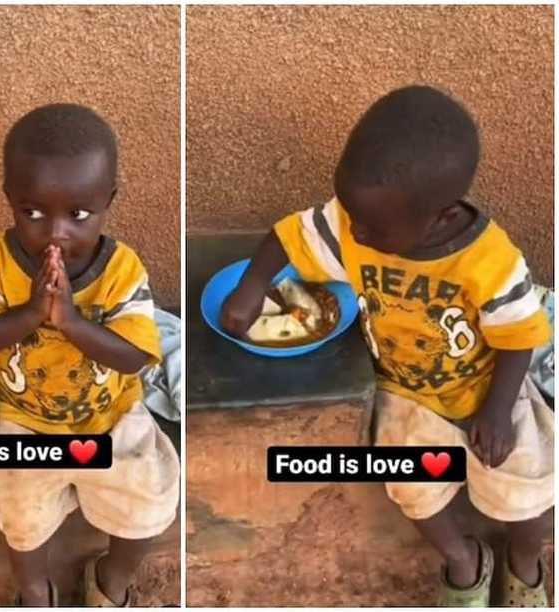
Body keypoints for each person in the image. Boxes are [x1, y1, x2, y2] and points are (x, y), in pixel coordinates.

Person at [222, 85, 553, 607]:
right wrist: (251, 285)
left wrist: (497, 411)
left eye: (369, 226)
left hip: (489, 386)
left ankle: (527, 561)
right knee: (408, 482)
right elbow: (294, 236)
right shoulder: (362, 222)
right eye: (350, 215)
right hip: (406, 390)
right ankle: (463, 559)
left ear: (440, 219)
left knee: (526, 485)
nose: (352, 231)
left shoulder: (489, 261)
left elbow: (519, 338)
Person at [0, 103, 180, 607]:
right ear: (9, 200)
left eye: (78, 215)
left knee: (152, 489)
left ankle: (112, 579)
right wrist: (31, 314)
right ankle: (35, 589)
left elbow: (133, 358)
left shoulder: (122, 269)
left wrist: (71, 321)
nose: (56, 233)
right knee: (18, 502)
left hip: (110, 412)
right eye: (33, 212)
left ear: (107, 201)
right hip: (22, 416)